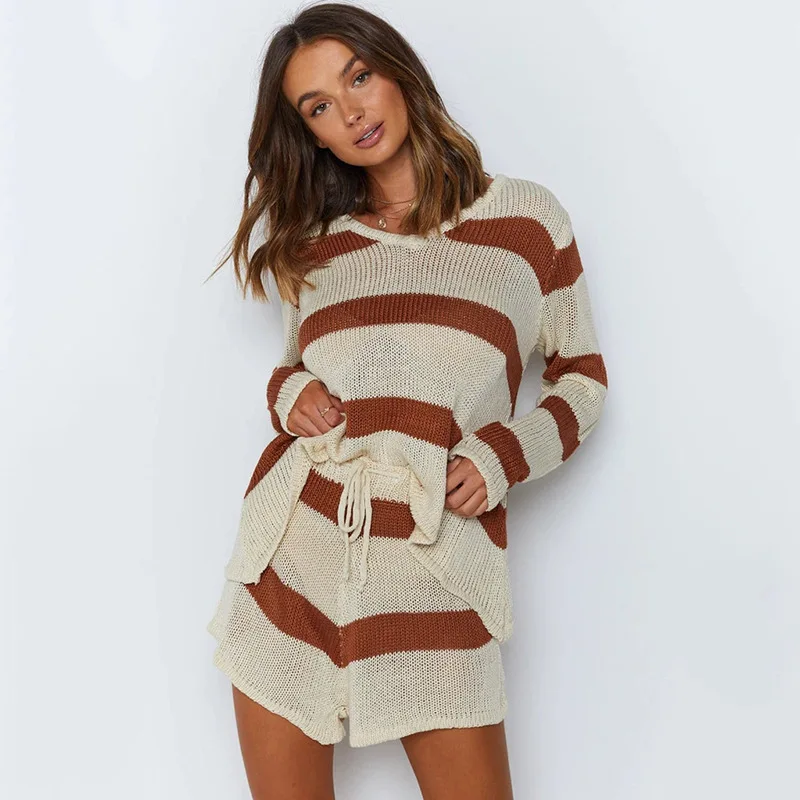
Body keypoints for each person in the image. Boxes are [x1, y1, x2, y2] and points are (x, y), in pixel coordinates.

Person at [206, 3, 608, 798]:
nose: (351, 112)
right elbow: (294, 369)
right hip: (295, 563)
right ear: (311, 134)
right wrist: (290, 394)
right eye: (319, 106)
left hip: (433, 567)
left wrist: (501, 456)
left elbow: (584, 377)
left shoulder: (527, 223)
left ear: (396, 70)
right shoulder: (317, 246)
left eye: (358, 77)